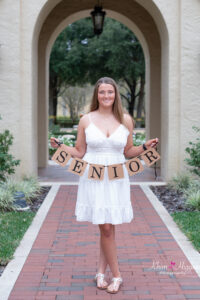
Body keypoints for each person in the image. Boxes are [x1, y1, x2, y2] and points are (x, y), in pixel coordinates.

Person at [50, 77, 159, 294]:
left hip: (117, 177)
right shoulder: (86, 120)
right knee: (106, 227)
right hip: (93, 175)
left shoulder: (126, 120)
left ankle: (101, 271)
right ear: (96, 95)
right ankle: (117, 276)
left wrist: (144, 146)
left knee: (107, 226)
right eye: (102, 92)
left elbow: (128, 152)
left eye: (110, 92)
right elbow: (80, 151)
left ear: (115, 94)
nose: (106, 96)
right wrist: (61, 146)